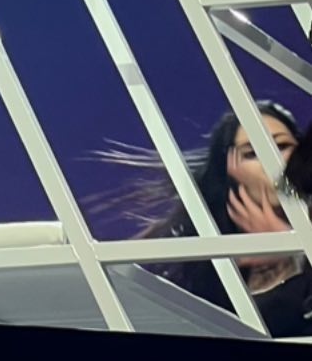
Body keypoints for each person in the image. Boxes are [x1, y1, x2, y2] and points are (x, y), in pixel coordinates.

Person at [101, 101, 311, 333]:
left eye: (282, 146)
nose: (273, 162)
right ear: (230, 172)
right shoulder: (208, 264)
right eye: (252, 153)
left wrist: (292, 249)